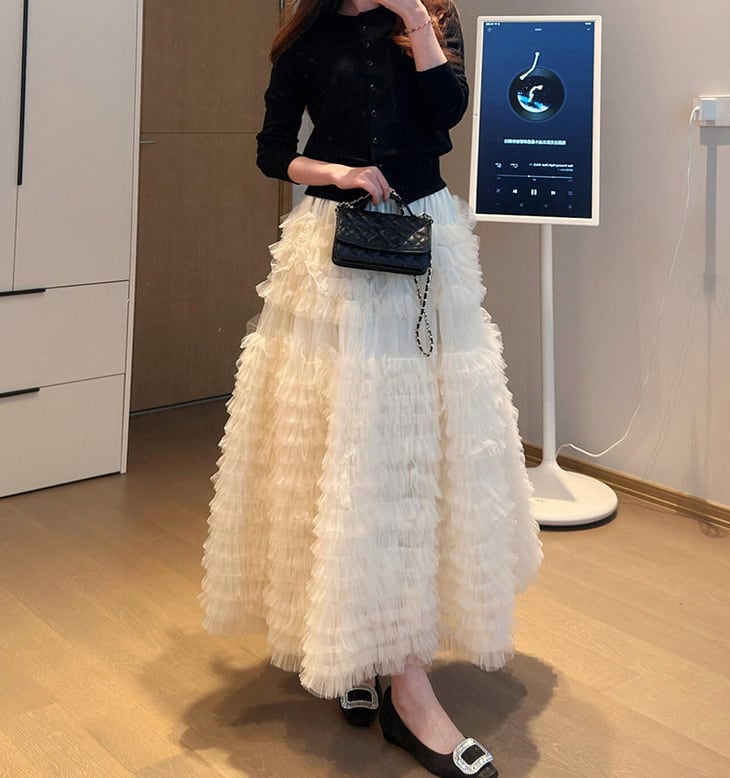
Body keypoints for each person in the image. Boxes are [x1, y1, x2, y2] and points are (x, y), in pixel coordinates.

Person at [199, 1, 543, 775]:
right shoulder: (306, 35)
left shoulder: (430, 19)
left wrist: (416, 18)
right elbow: (272, 151)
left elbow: (446, 113)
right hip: (333, 252)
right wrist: (340, 173)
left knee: (410, 449)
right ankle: (370, 658)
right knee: (341, 442)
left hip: (425, 240)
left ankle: (393, 668)